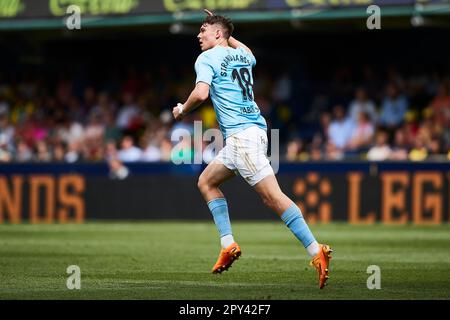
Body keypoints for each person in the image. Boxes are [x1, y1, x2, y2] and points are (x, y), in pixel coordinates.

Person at [172, 9, 332, 289]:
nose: (198, 35)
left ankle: (315, 249)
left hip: (242, 138)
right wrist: (227, 33)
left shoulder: (206, 58)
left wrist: (182, 110)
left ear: (218, 34)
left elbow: (201, 93)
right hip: (252, 133)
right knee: (207, 182)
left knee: (272, 197)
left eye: (203, 30)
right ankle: (228, 244)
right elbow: (246, 50)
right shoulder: (243, 56)